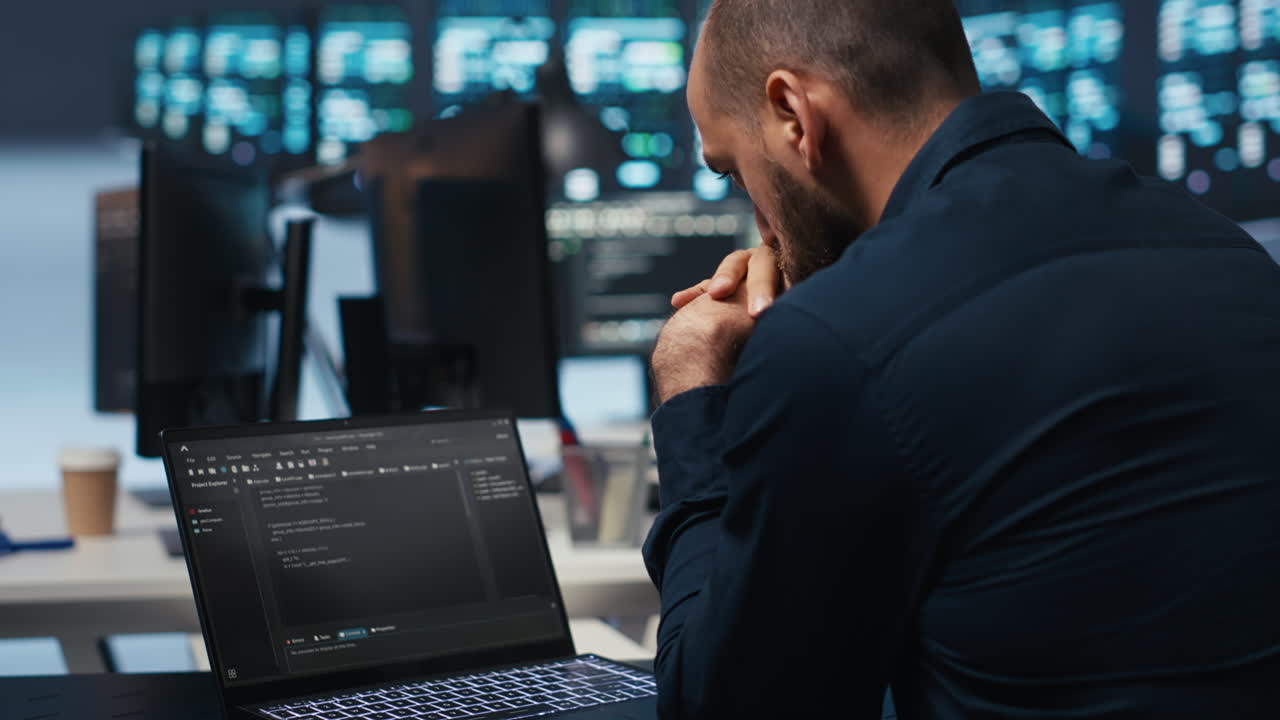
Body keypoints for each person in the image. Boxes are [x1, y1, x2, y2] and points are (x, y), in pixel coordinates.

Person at [641, 1, 1280, 718]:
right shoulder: (1234, 258)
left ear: (793, 114)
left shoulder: (843, 335)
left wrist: (693, 393)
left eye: (734, 171)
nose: (760, 226)